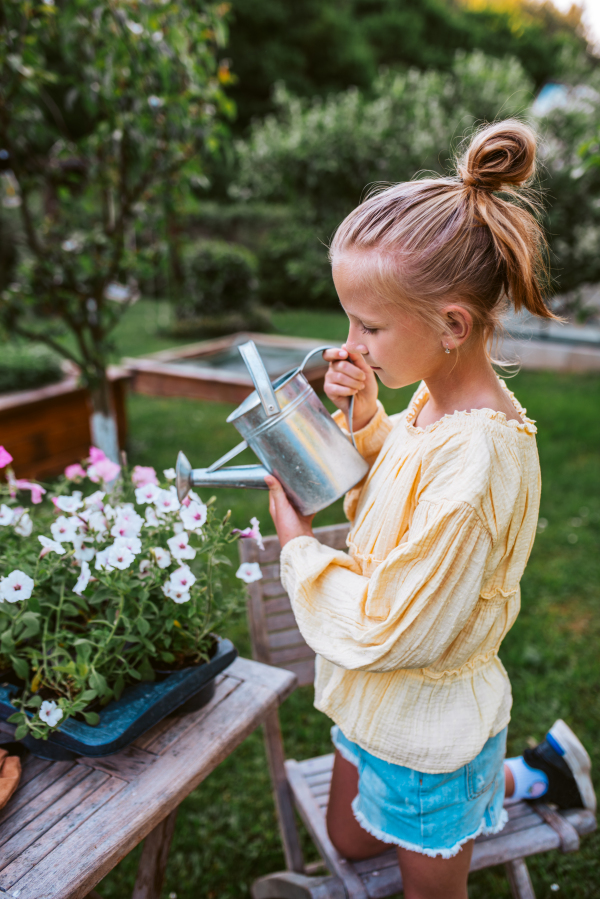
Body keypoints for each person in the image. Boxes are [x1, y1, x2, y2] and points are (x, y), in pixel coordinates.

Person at [264, 120, 595, 899]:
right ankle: (527, 773)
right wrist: (369, 416)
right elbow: (397, 479)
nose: (352, 344)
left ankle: (497, 780)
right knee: (349, 835)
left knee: (428, 890)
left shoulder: (477, 466)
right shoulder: (433, 404)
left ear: (451, 324)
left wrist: (300, 548)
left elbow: (388, 623)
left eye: (370, 326)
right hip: (376, 701)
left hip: (428, 734)